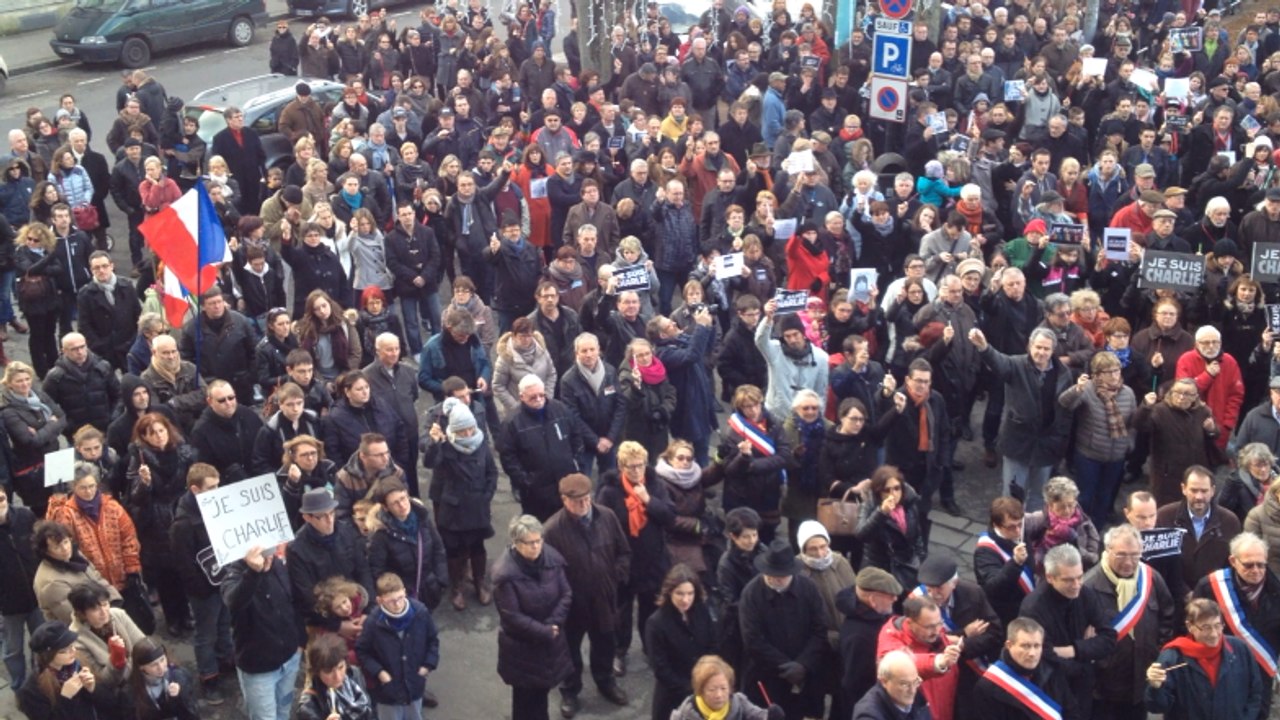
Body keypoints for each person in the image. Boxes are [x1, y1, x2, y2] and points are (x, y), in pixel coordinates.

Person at [541, 473, 632, 718]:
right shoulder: (552, 530)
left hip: (604, 598)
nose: (583, 504)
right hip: (573, 606)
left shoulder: (607, 517)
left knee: (604, 644)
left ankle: (606, 682)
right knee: (569, 651)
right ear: (564, 500)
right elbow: (547, 574)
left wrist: (616, 576)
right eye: (577, 500)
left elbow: (623, 552)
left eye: (586, 498)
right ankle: (570, 691)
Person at [969, 326, 1074, 511]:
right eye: (1038, 347)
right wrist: (984, 347)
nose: (1041, 352)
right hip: (1018, 442)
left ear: (1053, 350)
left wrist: (1060, 438)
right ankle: (1007, 535)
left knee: (1039, 496)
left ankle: (1031, 535)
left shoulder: (1063, 373)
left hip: (1046, 444)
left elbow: (1066, 410)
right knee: (1012, 497)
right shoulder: (1016, 365)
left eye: (1046, 349)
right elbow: (998, 362)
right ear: (1030, 346)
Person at [1082, 523, 1178, 720]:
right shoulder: (1088, 586)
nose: (1128, 562)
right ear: (1107, 551)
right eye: (1121, 555)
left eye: (1134, 555)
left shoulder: (1151, 578)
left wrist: (1158, 652)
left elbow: (1168, 616)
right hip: (1104, 688)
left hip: (1140, 681)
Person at [595, 441, 675, 676]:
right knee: (621, 611)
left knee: (650, 610)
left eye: (640, 465)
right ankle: (620, 651)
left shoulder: (656, 485)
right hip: (624, 563)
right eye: (631, 467)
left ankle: (650, 648)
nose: (637, 471)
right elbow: (602, 525)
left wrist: (648, 500)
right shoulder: (609, 491)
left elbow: (670, 516)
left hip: (653, 561)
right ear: (621, 466)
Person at [1018, 544, 1119, 717]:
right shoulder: (1033, 609)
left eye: (1079, 577)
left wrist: (1073, 650)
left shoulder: (1085, 594)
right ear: (1050, 577)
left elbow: (1109, 638)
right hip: (1050, 690)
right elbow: (1043, 657)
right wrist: (1085, 658)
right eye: (1068, 580)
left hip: (1082, 688)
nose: (1077, 585)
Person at [493, 514, 575, 720]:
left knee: (542, 693)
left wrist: (553, 623)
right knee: (525, 699)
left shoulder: (552, 559)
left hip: (549, 641)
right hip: (523, 649)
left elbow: (566, 593)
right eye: (530, 543)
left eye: (539, 540)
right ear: (516, 543)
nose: (536, 546)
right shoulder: (506, 575)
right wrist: (545, 631)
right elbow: (512, 617)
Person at [739, 537, 828, 720]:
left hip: (806, 677)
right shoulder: (751, 594)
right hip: (767, 677)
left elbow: (820, 631)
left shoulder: (808, 589)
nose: (775, 579)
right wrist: (785, 666)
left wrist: (802, 664)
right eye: (770, 574)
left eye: (780, 575)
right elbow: (752, 639)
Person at [422, 395, 498, 610]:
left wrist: (487, 495)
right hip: (454, 508)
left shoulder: (481, 442)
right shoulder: (445, 446)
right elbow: (429, 462)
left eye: (470, 429)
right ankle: (457, 587)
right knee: (454, 550)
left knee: (477, 547)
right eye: (462, 430)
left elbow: (491, 471)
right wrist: (433, 443)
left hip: (478, 505)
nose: (467, 434)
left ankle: (480, 582)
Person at [168, 462, 234, 704]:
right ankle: (209, 677)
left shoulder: (214, 507)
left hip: (223, 579)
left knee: (225, 624)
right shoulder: (183, 524)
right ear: (196, 490)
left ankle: (226, 660)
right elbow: (183, 564)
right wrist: (202, 588)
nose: (218, 491)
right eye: (212, 487)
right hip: (204, 589)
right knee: (206, 634)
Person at [125, 411, 196, 636]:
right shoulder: (140, 459)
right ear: (144, 437)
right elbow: (135, 497)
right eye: (152, 433)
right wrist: (144, 483)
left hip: (180, 513)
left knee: (184, 568)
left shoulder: (183, 452)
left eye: (161, 431)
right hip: (157, 522)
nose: (159, 436)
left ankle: (186, 613)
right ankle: (173, 617)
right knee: (166, 575)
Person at [221, 543, 306, 720]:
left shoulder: (278, 564)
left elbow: (293, 602)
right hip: (259, 669)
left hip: (289, 658)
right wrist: (253, 573)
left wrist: (300, 642)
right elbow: (233, 601)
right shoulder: (234, 572)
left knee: (284, 711)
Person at [1144, 598, 1266, 720]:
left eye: (1217, 626)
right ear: (1190, 626)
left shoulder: (1239, 649)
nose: (1214, 634)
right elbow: (1157, 707)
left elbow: (1255, 691)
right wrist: (1155, 688)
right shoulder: (1172, 657)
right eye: (1206, 627)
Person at [1191, 532, 1280, 692]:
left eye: (1261, 565)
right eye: (1248, 565)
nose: (1256, 570)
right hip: (1222, 672)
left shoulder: (1276, 589)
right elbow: (1195, 630)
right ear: (1233, 561)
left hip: (1262, 673)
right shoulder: (1209, 586)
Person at [1060, 351, 1138, 525]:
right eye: (1108, 372)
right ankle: (1080, 528)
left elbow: (1133, 422)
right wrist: (1076, 389)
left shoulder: (1128, 393)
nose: (1114, 376)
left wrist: (1129, 443)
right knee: (1085, 497)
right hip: (1089, 454)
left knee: (1105, 496)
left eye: (1117, 370)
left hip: (1116, 455)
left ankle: (1097, 529)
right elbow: (1065, 403)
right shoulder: (1087, 390)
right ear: (1097, 374)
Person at [287, 487, 375, 633]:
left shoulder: (347, 532)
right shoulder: (297, 549)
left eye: (332, 513)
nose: (329, 520)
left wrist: (368, 609)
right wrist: (336, 626)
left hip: (356, 606)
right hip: (325, 619)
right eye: (322, 516)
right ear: (307, 518)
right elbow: (306, 596)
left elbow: (363, 571)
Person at [356, 572, 441, 720]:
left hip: (414, 684)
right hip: (387, 691)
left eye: (400, 598)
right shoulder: (373, 623)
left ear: (405, 593)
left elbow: (432, 640)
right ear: (379, 600)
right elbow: (362, 651)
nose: (397, 604)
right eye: (391, 601)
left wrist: (427, 665)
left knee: (415, 715)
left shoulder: (420, 613)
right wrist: (380, 672)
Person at [498, 375, 584, 521]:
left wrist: (575, 463)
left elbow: (576, 436)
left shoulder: (560, 410)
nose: (538, 400)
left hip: (566, 485)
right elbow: (508, 457)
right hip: (536, 494)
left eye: (541, 395)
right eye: (533, 397)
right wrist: (526, 481)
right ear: (522, 397)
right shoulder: (512, 423)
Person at [45, 462, 140, 593]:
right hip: (91, 583)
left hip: (122, 577)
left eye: (92, 486)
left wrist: (132, 568)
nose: (88, 491)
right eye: (82, 488)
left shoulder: (112, 506)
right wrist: (57, 502)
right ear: (73, 487)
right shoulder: (67, 512)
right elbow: (55, 533)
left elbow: (129, 538)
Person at [644, 564, 717, 720]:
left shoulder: (701, 611)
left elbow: (712, 644)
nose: (686, 599)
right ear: (669, 592)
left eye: (690, 593)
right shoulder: (656, 623)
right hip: (672, 696)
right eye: (680, 594)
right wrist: (689, 688)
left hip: (702, 687)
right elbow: (660, 667)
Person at [366, 478, 449, 612]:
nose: (402, 505)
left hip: (429, 588)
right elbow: (377, 571)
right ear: (386, 507)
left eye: (403, 498)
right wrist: (396, 595)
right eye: (395, 503)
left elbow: (438, 548)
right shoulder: (380, 535)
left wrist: (440, 580)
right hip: (403, 598)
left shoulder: (422, 517)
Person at [973, 617, 1080, 720]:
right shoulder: (988, 686)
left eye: (1037, 646)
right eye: (1025, 646)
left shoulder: (1052, 672)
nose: (1032, 653)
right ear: (1009, 645)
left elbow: (1071, 712)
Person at [1156, 466, 1243, 588]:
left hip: (1215, 594)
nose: (1199, 496)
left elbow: (1233, 564)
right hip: (1173, 595)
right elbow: (1159, 564)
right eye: (1194, 490)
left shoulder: (1230, 521)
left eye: (1204, 491)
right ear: (1183, 489)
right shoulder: (1164, 517)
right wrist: (1183, 593)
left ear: (1213, 491)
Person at [0, 361, 66, 519]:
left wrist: (40, 431)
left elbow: (63, 418)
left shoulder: (39, 395)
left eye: (27, 378)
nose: (24, 384)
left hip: (56, 458)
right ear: (9, 384)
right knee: (43, 512)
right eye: (19, 380)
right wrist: (51, 423)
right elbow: (30, 441)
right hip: (34, 467)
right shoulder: (8, 411)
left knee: (64, 504)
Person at [17, 620, 114, 720]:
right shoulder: (30, 691)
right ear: (48, 656)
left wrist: (93, 689)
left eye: (72, 645)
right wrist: (65, 698)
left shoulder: (77, 662)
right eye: (64, 651)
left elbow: (109, 702)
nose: (73, 651)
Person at [66, 582, 144, 707]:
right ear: (81, 613)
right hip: (119, 694)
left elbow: (142, 645)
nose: (104, 612)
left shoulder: (118, 614)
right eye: (95, 609)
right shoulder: (76, 640)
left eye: (105, 604)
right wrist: (116, 661)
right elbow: (102, 681)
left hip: (142, 676)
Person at [31, 519, 121, 625]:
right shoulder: (51, 582)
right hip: (85, 629)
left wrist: (115, 601)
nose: (65, 549)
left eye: (66, 542)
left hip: (103, 613)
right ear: (45, 551)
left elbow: (97, 578)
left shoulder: (75, 556)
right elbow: (73, 616)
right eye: (57, 547)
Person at [179, 287, 258, 405]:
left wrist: (250, 377)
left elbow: (254, 351)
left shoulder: (241, 321)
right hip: (211, 385)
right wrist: (201, 382)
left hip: (241, 385)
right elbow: (186, 359)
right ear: (204, 306)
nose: (217, 306)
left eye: (219, 302)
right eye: (211, 303)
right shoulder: (191, 329)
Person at [857, 464, 928, 591]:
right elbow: (862, 534)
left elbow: (917, 536)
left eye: (896, 488)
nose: (893, 494)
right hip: (881, 568)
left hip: (907, 566)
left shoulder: (909, 504)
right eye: (887, 490)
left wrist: (920, 560)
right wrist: (881, 513)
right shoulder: (870, 505)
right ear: (879, 492)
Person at [0, 483, 44, 689]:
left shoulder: (25, 517)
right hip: (9, 605)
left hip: (37, 596)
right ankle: (19, 687)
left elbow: (40, 546)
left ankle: (43, 681)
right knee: (13, 649)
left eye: (0, 499)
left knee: (42, 643)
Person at [76, 251, 141, 371]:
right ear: (91, 270)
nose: (101, 270)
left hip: (128, 346)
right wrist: (99, 345)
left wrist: (133, 340)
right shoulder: (85, 294)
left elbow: (138, 315)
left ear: (112, 266)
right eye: (96, 268)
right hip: (104, 351)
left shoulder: (127, 286)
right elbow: (84, 325)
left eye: (104, 266)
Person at [190, 379, 264, 486]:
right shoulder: (201, 431)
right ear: (210, 402)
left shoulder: (249, 415)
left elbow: (264, 448)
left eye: (231, 398)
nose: (228, 403)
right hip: (227, 486)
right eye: (221, 400)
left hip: (258, 478)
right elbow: (203, 470)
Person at [974, 497, 1035, 625]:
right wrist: (1015, 563)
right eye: (1011, 527)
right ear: (997, 525)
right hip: (1006, 613)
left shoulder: (1018, 533)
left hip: (1026, 603)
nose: (1018, 530)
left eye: (1020, 524)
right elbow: (993, 587)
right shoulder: (985, 551)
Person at [668, 655, 782, 720]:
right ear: (700, 690)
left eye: (723, 688)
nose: (719, 695)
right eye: (712, 689)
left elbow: (760, 716)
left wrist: (771, 716)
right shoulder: (685, 712)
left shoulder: (739, 703)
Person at [295, 634, 374, 720]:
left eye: (341, 667)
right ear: (317, 671)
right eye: (328, 671)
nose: (338, 676)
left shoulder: (353, 674)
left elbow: (368, 709)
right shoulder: (309, 704)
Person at [128, 638, 200, 720]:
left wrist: (180, 695)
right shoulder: (130, 693)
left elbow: (192, 712)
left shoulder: (179, 676)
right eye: (153, 665)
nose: (161, 667)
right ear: (141, 668)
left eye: (162, 660)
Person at [854, 649, 934, 720]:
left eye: (916, 682)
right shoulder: (868, 714)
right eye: (904, 684)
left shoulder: (918, 700)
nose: (912, 690)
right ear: (884, 681)